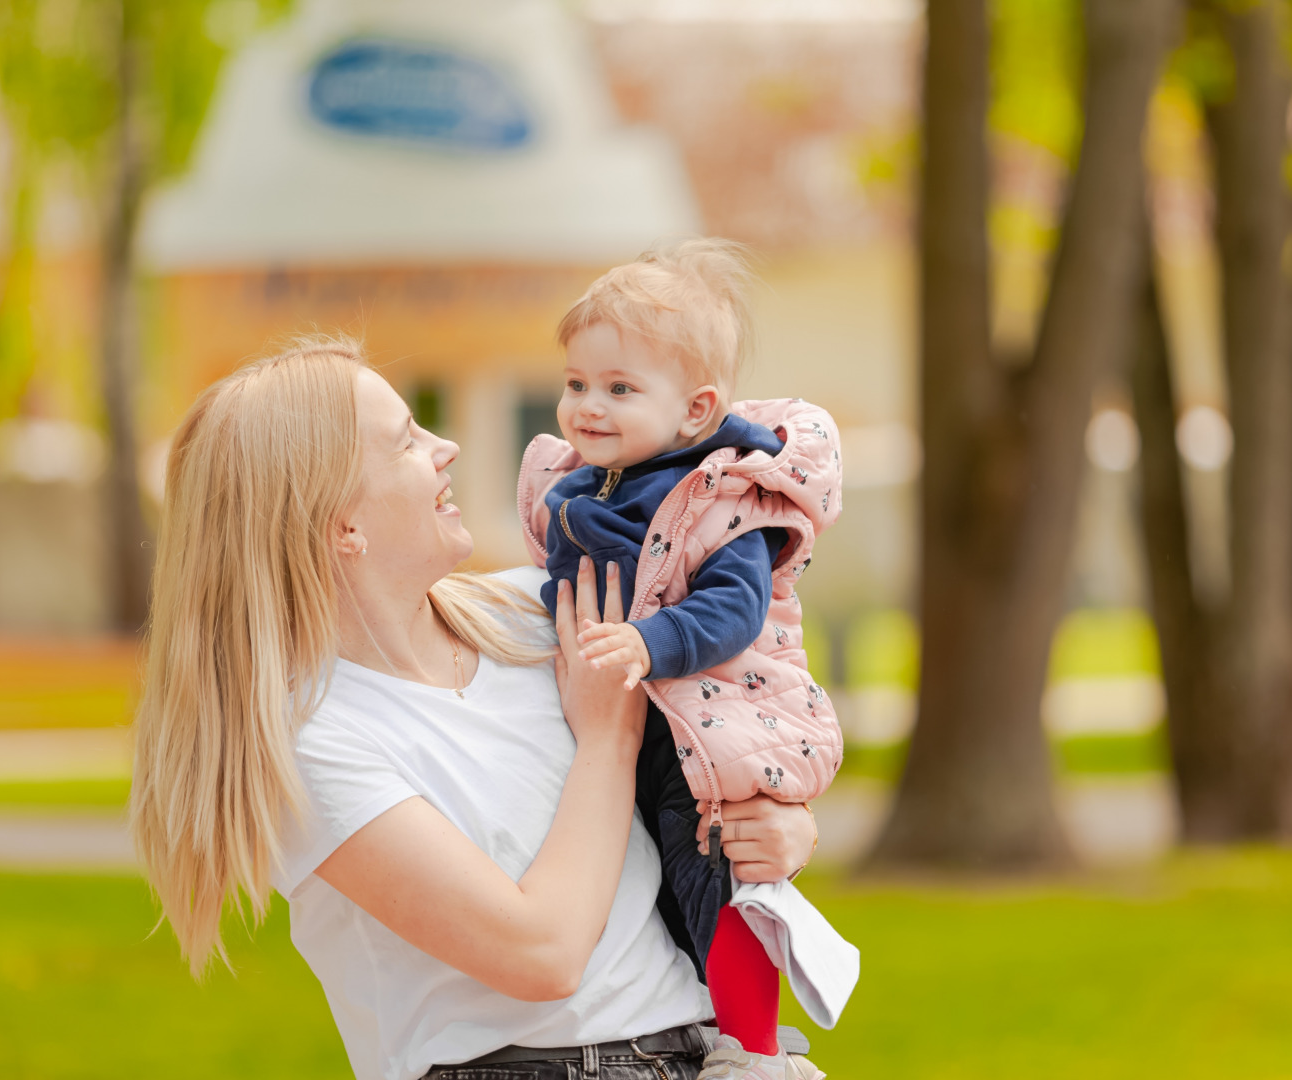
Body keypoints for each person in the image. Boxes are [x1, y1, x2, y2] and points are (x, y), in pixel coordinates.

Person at [128, 338, 823, 1080]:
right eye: (406, 442)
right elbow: (541, 955)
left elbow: (725, 734)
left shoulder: (541, 611)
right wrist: (605, 743)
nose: (446, 447)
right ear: (341, 525)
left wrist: (778, 826)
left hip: (699, 1049)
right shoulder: (310, 742)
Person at [518, 239, 846, 1080]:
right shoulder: (582, 487)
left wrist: (647, 640)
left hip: (711, 725)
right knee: (650, 887)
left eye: (620, 389)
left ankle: (758, 1053)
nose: (588, 406)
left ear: (697, 410)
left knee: (716, 883)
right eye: (577, 384)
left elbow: (734, 610)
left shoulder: (722, 496)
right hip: (632, 720)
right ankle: (700, 1021)